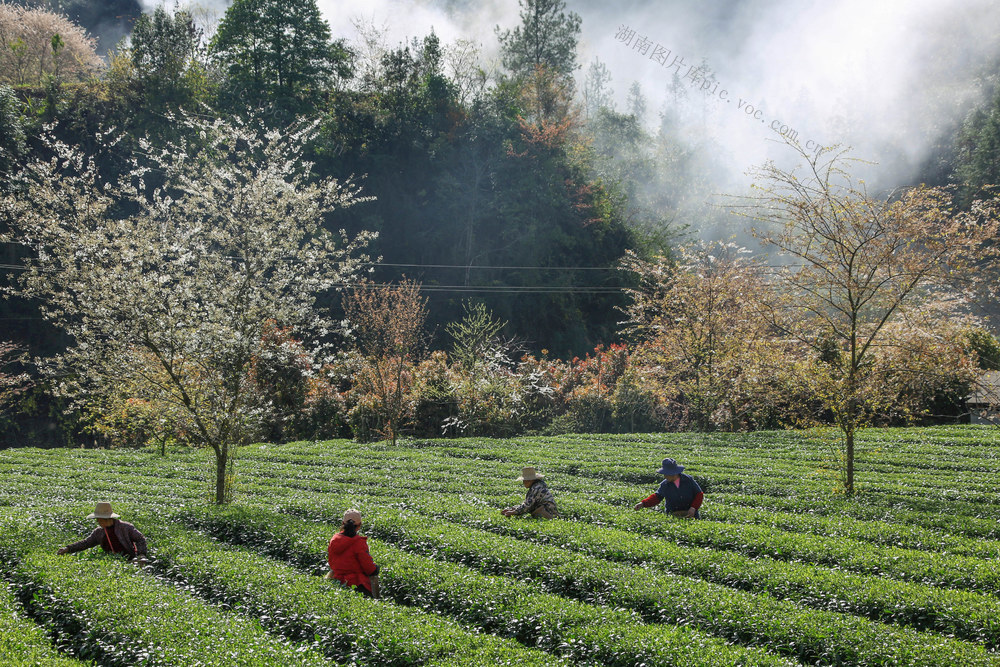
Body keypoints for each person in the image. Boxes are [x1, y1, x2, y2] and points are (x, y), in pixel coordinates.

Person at [56, 502, 149, 561]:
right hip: (112, 562)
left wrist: (141, 555)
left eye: (99, 519)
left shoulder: (125, 527)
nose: (98, 521)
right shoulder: (99, 532)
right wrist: (68, 549)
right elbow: (86, 543)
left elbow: (140, 539)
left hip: (130, 560)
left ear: (106, 518)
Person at [326, 508, 380, 599]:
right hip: (356, 583)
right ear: (359, 525)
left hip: (336, 580)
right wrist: (375, 569)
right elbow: (368, 567)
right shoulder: (358, 542)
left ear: (343, 523)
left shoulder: (334, 540)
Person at [633, 458, 704, 518]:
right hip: (673, 515)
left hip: (691, 514)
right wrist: (643, 504)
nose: (665, 476)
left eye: (666, 474)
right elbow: (657, 497)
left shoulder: (688, 480)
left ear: (673, 473)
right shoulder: (665, 484)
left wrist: (693, 508)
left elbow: (699, 494)